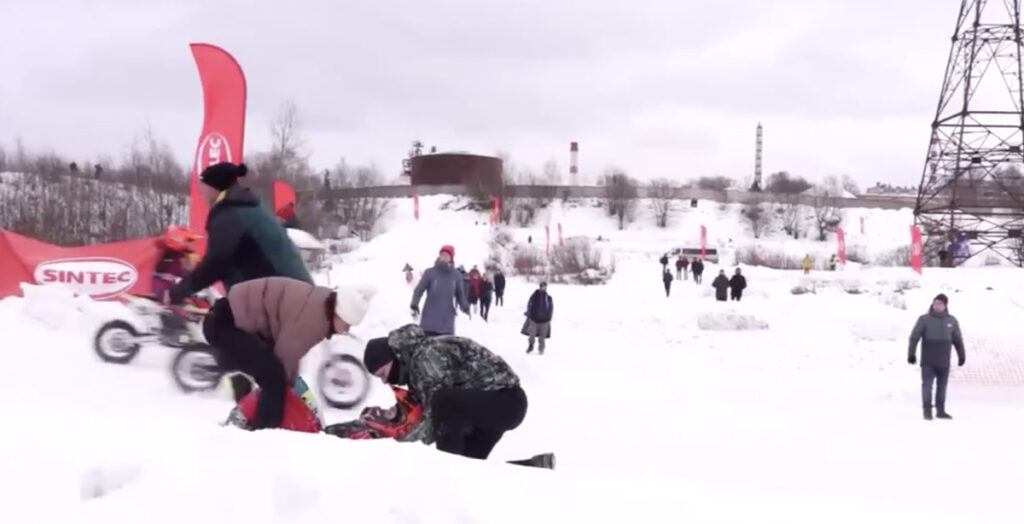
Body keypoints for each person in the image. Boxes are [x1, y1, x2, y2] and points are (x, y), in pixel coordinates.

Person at [358, 324, 551, 467]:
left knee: (445, 406)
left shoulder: (425, 356)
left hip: (505, 401)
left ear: (393, 358)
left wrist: (399, 444)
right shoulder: (415, 364)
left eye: (383, 374)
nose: (385, 381)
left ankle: (447, 474)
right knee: (469, 470)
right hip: (486, 403)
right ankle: (535, 468)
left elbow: (436, 412)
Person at [209, 276, 377, 430]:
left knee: (272, 375)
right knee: (274, 378)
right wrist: (292, 393)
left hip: (229, 319)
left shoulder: (321, 303)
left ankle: (244, 424)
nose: (346, 331)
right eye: (347, 324)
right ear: (340, 313)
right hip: (225, 325)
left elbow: (287, 352)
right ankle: (261, 435)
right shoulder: (315, 319)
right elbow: (284, 358)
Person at [166, 162, 312, 305]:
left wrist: (176, 292)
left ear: (214, 187)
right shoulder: (249, 205)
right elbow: (234, 257)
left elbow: (216, 265)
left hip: (284, 300)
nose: (200, 193)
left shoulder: (228, 213)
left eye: (202, 188)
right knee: (223, 315)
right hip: (296, 294)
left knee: (217, 322)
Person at [908, 294, 966, 421]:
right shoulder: (924, 319)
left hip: (943, 361)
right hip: (928, 361)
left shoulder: (952, 321)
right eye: (935, 303)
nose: (937, 306)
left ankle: (941, 411)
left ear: (945, 306)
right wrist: (911, 353)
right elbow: (914, 337)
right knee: (927, 386)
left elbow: (957, 340)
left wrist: (961, 355)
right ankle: (927, 411)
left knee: (942, 386)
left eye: (940, 304)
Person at [411, 245, 470, 336]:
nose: (443, 257)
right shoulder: (430, 272)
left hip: (446, 322)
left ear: (451, 258)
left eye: (446, 255)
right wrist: (414, 303)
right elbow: (419, 290)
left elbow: (460, 295)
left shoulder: (456, 275)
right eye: (442, 254)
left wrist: (465, 307)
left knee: (446, 349)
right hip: (429, 321)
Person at [522, 282, 553, 355]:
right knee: (531, 335)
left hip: (544, 320)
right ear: (540, 287)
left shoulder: (548, 298)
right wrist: (529, 313)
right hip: (534, 319)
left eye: (545, 287)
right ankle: (531, 346)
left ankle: (541, 349)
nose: (544, 288)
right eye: (542, 287)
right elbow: (530, 304)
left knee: (542, 337)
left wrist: (549, 317)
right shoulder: (535, 296)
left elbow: (551, 308)